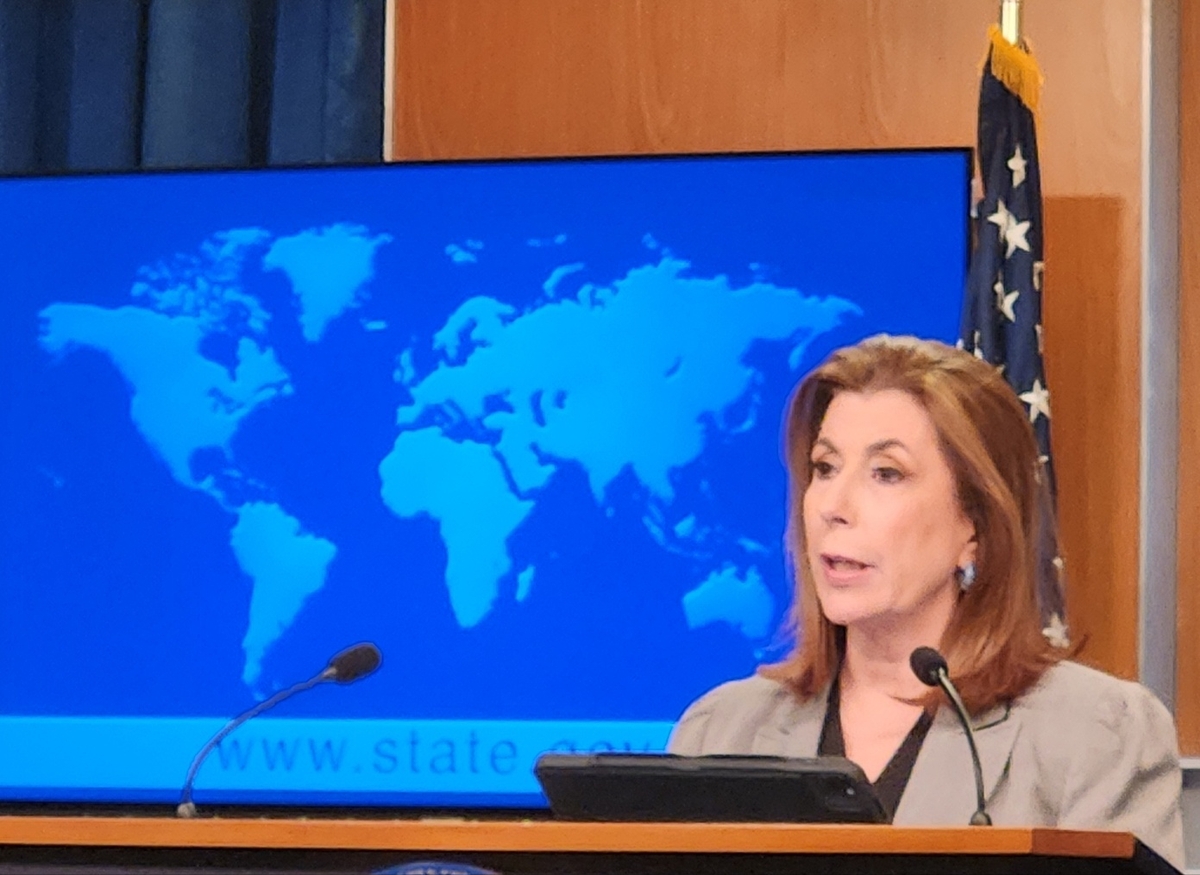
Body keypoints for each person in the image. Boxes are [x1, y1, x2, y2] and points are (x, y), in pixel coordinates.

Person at [668, 335, 1183, 869]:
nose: (834, 506)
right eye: (825, 467)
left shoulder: (1096, 734)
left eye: (886, 473)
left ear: (975, 526)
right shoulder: (720, 732)